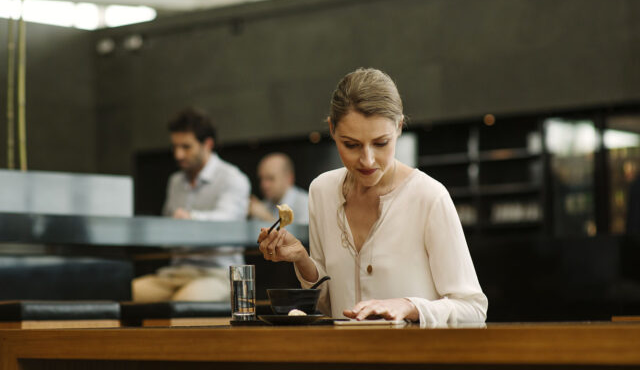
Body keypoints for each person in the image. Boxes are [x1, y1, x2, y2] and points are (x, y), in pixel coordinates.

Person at [257, 68, 488, 327]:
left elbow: (473, 310)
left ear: (399, 127)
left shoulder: (429, 196)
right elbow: (326, 305)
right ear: (332, 129)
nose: (367, 160)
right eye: (351, 145)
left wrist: (410, 306)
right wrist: (302, 259)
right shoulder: (321, 191)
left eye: (380, 143)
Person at [132, 108, 251, 302]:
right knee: (128, 293)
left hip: (218, 273)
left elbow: (227, 224)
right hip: (176, 272)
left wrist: (191, 219)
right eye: (175, 146)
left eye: (186, 147)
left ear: (208, 144)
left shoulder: (233, 178)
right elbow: (168, 230)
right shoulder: (175, 181)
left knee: (184, 301)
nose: (178, 154)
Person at [249, 153, 310, 224]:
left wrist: (266, 217)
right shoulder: (264, 204)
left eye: (270, 178)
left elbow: (300, 235)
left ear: (289, 178)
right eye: (261, 179)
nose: (264, 185)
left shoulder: (306, 204)